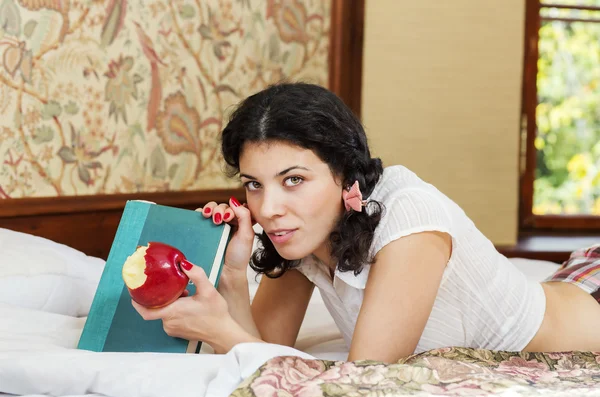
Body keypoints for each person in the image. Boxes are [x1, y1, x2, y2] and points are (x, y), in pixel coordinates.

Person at [132, 82, 600, 362]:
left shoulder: (410, 216)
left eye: (293, 179)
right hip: (565, 286)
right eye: (254, 184)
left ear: (344, 175)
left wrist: (218, 329)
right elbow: (262, 352)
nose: (268, 207)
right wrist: (233, 277)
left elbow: (362, 383)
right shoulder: (302, 235)